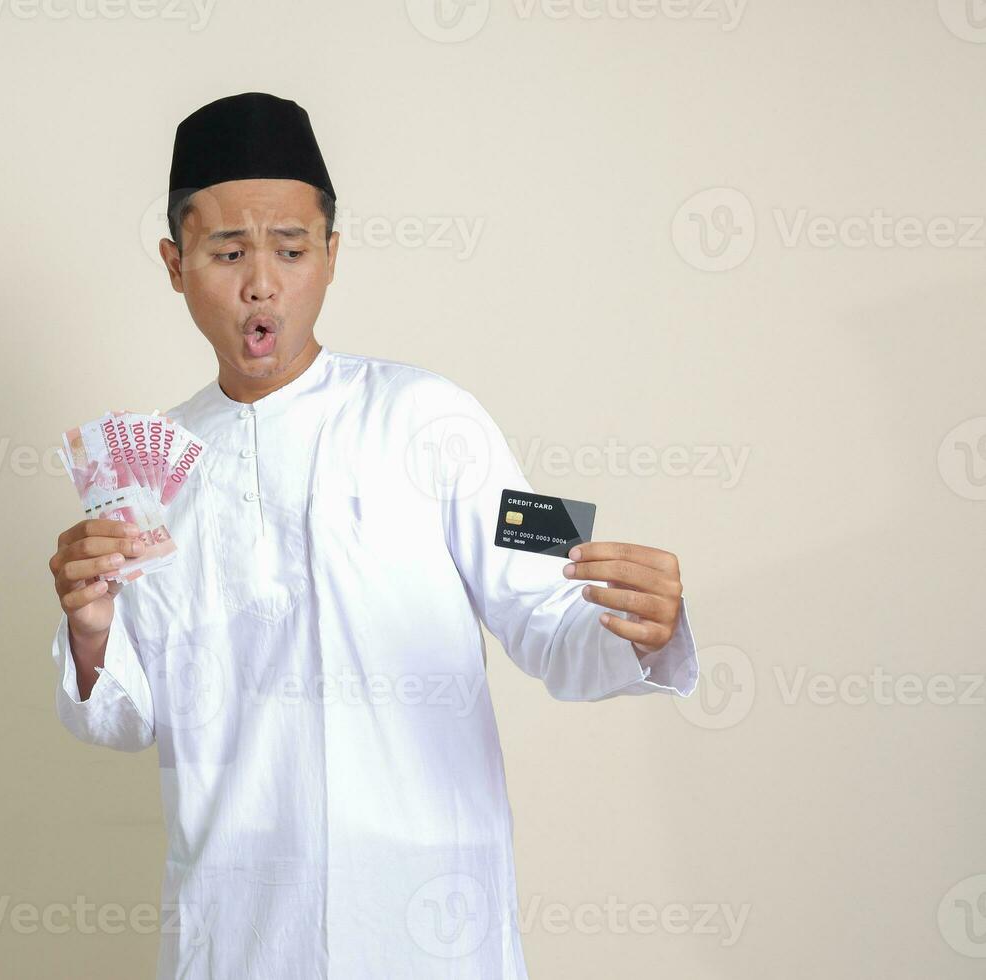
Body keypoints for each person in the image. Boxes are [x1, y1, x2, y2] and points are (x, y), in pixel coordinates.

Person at [45, 91, 699, 980]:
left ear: (332, 256)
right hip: (240, 929)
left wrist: (637, 623)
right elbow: (129, 718)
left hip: (426, 922)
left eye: (290, 249)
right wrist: (90, 632)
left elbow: (549, 612)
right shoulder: (149, 480)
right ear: (175, 263)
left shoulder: (435, 419)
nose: (261, 282)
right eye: (228, 252)